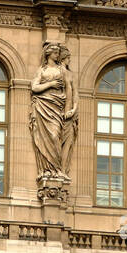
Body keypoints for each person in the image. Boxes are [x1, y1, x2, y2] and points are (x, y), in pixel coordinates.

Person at [29, 42, 78, 179]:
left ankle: (57, 169)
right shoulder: (42, 70)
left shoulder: (62, 70)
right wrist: (50, 84)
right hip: (43, 105)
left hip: (57, 107)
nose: (58, 55)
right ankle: (49, 169)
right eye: (56, 53)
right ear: (48, 54)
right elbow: (34, 87)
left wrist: (71, 108)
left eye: (58, 53)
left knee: (55, 135)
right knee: (46, 137)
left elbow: (70, 89)